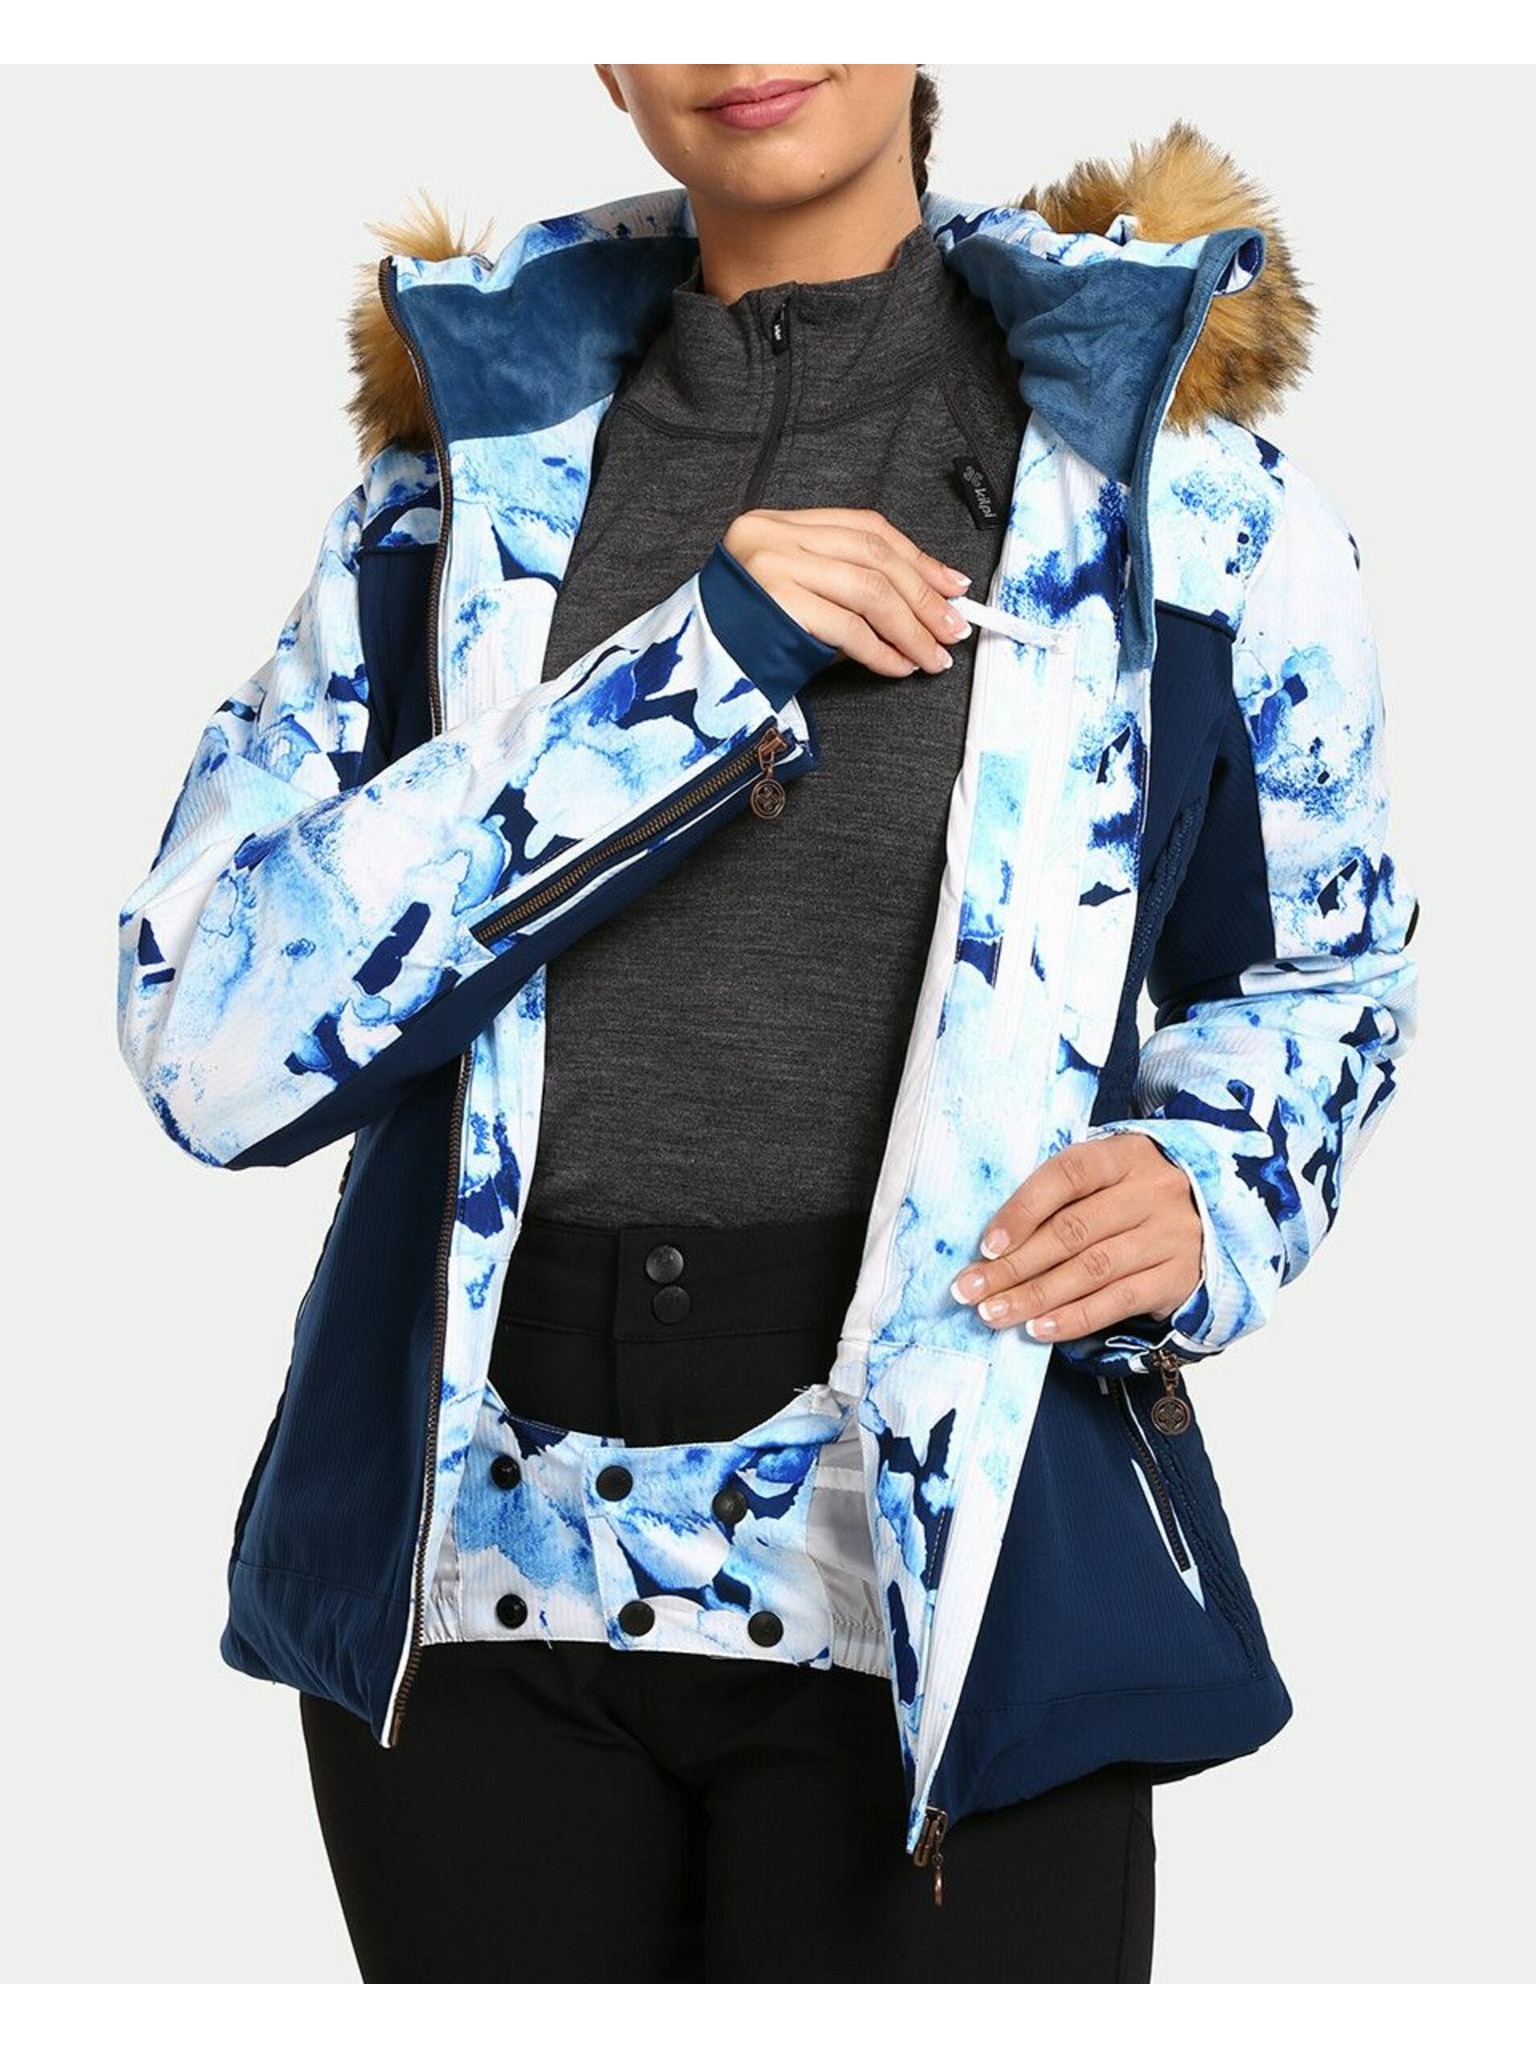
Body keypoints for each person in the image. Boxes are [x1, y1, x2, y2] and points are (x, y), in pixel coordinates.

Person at [114, 66, 1417, 1984]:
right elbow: (204, 1037)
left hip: (959, 1570)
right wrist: (688, 675)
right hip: (469, 1612)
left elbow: (1322, 970)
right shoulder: (454, 493)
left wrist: (1214, 1185)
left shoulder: (1167, 481)